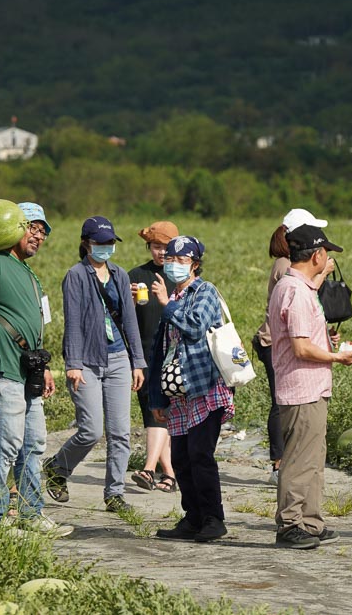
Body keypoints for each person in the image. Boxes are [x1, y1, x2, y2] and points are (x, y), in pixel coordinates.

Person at [0, 200, 72, 537]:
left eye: (43, 232)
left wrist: (45, 368)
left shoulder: (31, 274)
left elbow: (36, 324)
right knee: (5, 444)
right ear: (12, 227)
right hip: (0, 368)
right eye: (32, 228)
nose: (38, 236)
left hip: (28, 372)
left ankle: (31, 513)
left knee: (34, 444)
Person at [44, 216, 146, 513]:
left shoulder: (120, 275)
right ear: (86, 244)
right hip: (86, 360)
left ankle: (114, 493)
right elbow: (72, 322)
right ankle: (58, 468)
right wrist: (72, 363)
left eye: (110, 243)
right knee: (90, 430)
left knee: (120, 432)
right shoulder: (75, 276)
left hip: (118, 359)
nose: (106, 248)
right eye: (100, 243)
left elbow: (129, 321)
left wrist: (137, 361)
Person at [269, 224, 352, 549]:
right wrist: (337, 357)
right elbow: (301, 348)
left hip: (312, 388)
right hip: (301, 389)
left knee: (314, 458)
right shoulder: (294, 291)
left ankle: (311, 522)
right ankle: (290, 524)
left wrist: (328, 342)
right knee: (299, 460)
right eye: (327, 252)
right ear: (317, 255)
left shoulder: (299, 288)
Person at [148, 235, 234, 542]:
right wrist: (157, 396)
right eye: (170, 259)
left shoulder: (204, 291)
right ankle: (193, 516)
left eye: (181, 261)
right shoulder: (175, 296)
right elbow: (163, 349)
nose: (174, 265)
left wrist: (164, 305)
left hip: (204, 388)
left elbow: (196, 327)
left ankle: (214, 517)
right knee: (182, 458)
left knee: (200, 455)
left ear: (195, 265)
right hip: (179, 394)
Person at [252, 210, 331, 486]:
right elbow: (300, 339)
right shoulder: (288, 272)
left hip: (284, 348)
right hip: (280, 349)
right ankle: (279, 463)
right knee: (281, 406)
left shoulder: (287, 272)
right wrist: (336, 356)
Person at [128, 220, 179, 494]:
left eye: (166, 247)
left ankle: (149, 469)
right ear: (149, 246)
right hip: (145, 353)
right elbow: (123, 317)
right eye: (156, 246)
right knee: (154, 412)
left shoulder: (180, 276)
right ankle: (170, 474)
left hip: (172, 353)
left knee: (160, 414)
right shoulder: (135, 275)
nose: (161, 252)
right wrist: (129, 298)